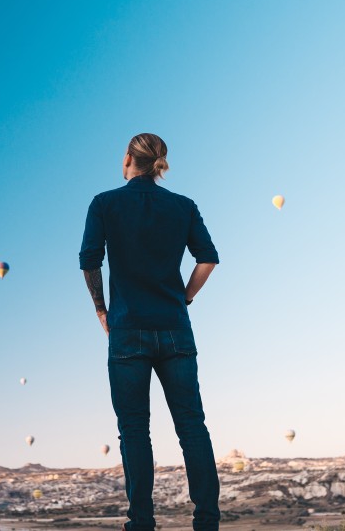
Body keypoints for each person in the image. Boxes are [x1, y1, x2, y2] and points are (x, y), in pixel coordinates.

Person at [79, 133, 220, 531]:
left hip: (127, 330)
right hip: (175, 328)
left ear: (128, 159)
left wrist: (101, 309)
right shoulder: (183, 206)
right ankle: (207, 522)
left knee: (134, 431)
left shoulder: (104, 203)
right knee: (192, 427)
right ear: (159, 163)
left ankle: (141, 523)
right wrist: (184, 298)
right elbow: (208, 259)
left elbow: (90, 261)